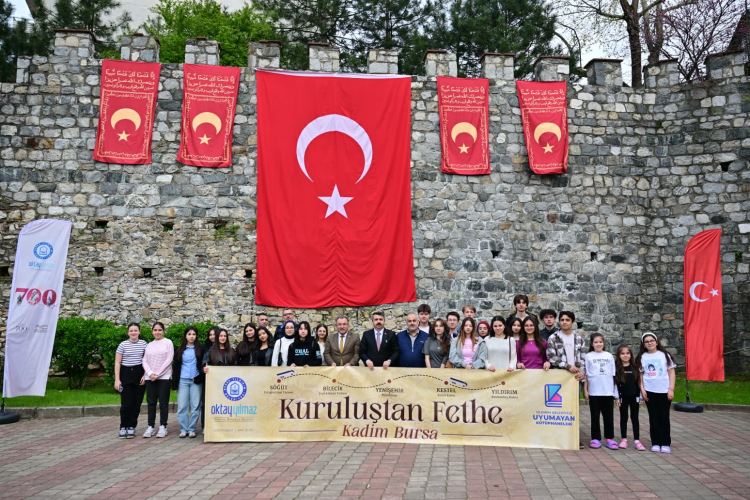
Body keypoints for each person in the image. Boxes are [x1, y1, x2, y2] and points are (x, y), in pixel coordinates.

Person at [637, 332, 676, 454]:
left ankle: (665, 443)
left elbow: (671, 373)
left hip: (664, 391)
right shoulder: (642, 357)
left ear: (657, 342)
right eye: (647, 341)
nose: (649, 343)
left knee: (664, 417)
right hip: (650, 390)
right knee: (653, 417)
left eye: (651, 341)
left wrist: (671, 389)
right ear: (643, 344)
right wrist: (642, 389)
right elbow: (641, 375)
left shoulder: (665, 355)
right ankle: (655, 442)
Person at [584, 333, 617, 450]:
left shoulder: (609, 356)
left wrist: (615, 391)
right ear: (592, 344)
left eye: (600, 342)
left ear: (604, 343)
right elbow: (586, 374)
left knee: (608, 416)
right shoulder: (588, 356)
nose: (598, 344)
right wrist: (585, 390)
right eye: (596, 342)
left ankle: (609, 438)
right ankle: (595, 438)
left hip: (607, 391)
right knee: (595, 415)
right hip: (594, 391)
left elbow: (613, 375)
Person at [114, 322, 147, 439]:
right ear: (128, 332)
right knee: (126, 404)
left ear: (139, 332)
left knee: (136, 404)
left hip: (139, 374)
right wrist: (117, 380)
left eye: (136, 330)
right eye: (131, 331)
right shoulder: (123, 345)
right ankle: (123, 426)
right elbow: (117, 363)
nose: (133, 333)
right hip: (126, 374)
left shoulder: (144, 344)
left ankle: (132, 426)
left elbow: (147, 360)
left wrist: (145, 375)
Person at [142, 322, 174, 438]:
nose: (157, 332)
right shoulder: (149, 345)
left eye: (160, 330)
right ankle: (150, 426)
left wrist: (158, 373)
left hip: (164, 377)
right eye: (155, 330)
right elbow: (144, 360)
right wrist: (150, 373)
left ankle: (163, 426)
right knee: (151, 403)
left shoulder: (168, 342)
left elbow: (169, 359)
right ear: (152, 331)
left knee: (163, 403)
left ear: (163, 331)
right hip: (150, 378)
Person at [172, 326, 203, 438]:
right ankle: (183, 429)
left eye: (193, 334)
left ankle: (192, 429)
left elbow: (203, 365)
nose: (191, 336)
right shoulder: (180, 350)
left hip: (196, 381)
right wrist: (174, 384)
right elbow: (176, 367)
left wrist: (199, 377)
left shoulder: (200, 349)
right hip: (183, 380)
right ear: (185, 336)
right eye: (189, 334)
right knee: (182, 406)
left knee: (195, 406)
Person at [615, 345, 645, 451]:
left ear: (631, 355)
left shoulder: (635, 367)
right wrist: (617, 398)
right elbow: (615, 385)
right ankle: (624, 439)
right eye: (622, 353)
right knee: (623, 418)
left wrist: (640, 397)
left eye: (627, 353)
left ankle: (637, 440)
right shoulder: (617, 368)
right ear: (619, 355)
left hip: (634, 397)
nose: (625, 355)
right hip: (623, 398)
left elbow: (640, 383)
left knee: (635, 418)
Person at [546, 311, 586, 381]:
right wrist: (567, 366)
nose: (564, 322)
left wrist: (582, 372)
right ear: (559, 322)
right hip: (559, 376)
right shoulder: (553, 338)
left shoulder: (579, 338)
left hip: (576, 376)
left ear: (573, 322)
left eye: (567, 320)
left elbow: (583, 358)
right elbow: (551, 357)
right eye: (562, 320)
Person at [200, 326, 218, 432]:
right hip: (208, 380)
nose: (212, 337)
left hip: (220, 381)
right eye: (210, 335)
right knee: (205, 403)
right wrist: (204, 369)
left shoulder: (226, 348)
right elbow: (201, 364)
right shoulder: (205, 348)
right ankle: (204, 426)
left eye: (214, 334)